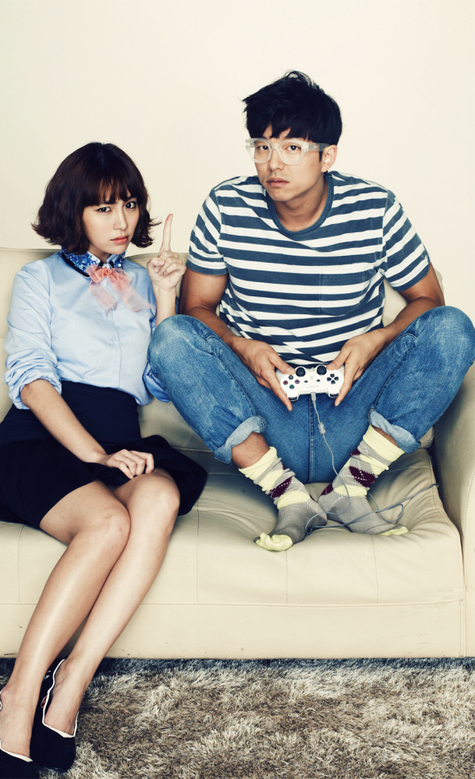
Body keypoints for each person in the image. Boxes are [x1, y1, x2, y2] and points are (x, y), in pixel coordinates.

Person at [147, 71, 475, 553]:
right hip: (265, 415)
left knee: (454, 328)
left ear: (327, 155)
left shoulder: (375, 208)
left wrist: (376, 340)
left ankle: (351, 488)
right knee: (171, 336)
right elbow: (196, 307)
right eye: (261, 146)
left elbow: (430, 302)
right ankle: (289, 496)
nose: (273, 162)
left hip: (353, 412)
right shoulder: (226, 205)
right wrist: (242, 346)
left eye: (292, 148)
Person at [0, 142, 206, 779]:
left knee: (159, 496)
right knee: (108, 524)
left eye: (129, 204)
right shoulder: (40, 279)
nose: (122, 220)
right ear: (73, 210)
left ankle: (70, 686)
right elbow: (31, 381)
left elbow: (158, 388)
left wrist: (166, 298)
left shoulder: (142, 279)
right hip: (44, 439)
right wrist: (97, 454)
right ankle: (16, 700)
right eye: (104, 207)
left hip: (118, 440)